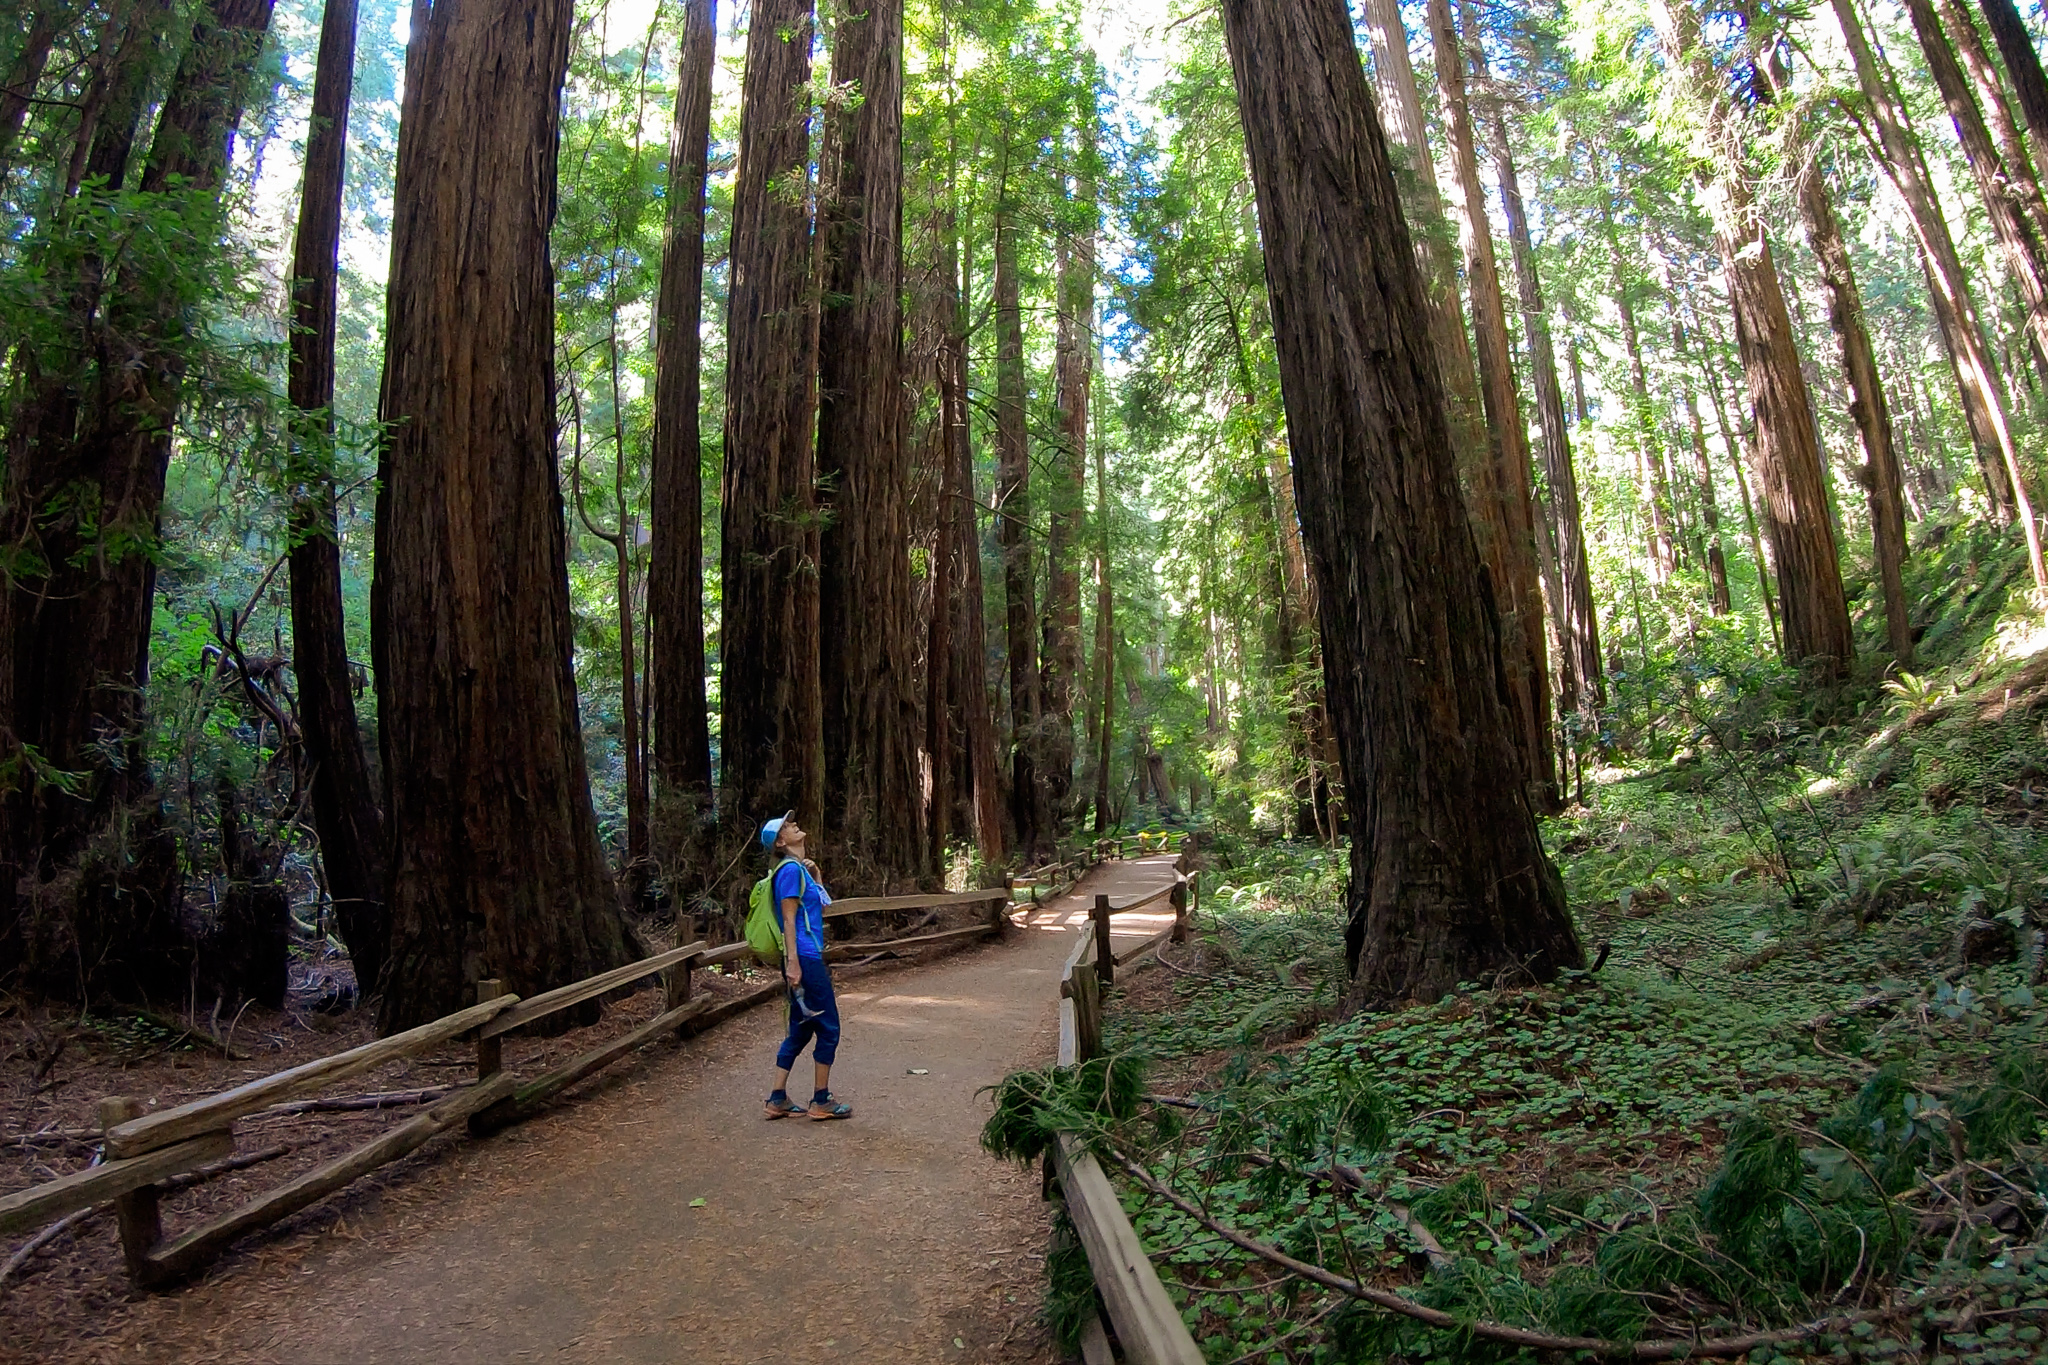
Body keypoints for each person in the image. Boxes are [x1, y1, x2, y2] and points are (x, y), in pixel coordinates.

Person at [760, 811, 853, 1121]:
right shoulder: (788, 872)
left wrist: (817, 877)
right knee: (829, 1029)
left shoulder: (799, 870)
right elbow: (788, 920)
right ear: (781, 841)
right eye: (787, 826)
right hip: (804, 959)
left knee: (799, 1033)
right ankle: (821, 1099)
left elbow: (821, 907)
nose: (794, 824)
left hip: (805, 957)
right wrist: (794, 965)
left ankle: (777, 1098)